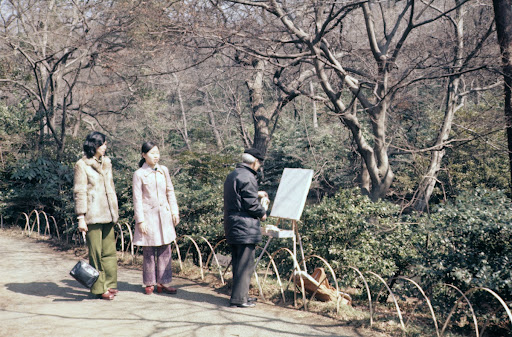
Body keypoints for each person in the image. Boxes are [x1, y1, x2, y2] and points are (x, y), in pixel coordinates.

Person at [73, 131, 119, 300]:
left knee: (109, 251)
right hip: (92, 213)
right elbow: (80, 191)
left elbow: (111, 187)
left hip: (109, 212)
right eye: (103, 144)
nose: (106, 147)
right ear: (95, 146)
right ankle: (99, 288)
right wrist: (81, 217)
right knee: (96, 253)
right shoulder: (82, 165)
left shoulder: (107, 162)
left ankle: (111, 284)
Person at [132, 141, 180, 295]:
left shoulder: (163, 170)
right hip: (148, 216)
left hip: (164, 215)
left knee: (165, 248)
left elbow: (170, 191)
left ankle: (164, 282)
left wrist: (174, 211)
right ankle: (149, 283)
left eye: (157, 153)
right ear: (143, 155)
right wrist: (140, 220)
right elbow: (137, 198)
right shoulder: (139, 174)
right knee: (149, 250)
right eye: (152, 153)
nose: (156, 156)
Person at [223, 148, 268, 308]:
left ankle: (240, 296)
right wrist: (262, 213)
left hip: (233, 224)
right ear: (255, 162)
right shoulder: (248, 177)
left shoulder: (234, 174)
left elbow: (239, 197)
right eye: (259, 163)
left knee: (238, 262)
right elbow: (250, 204)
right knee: (245, 264)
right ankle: (239, 299)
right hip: (245, 226)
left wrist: (256, 193)